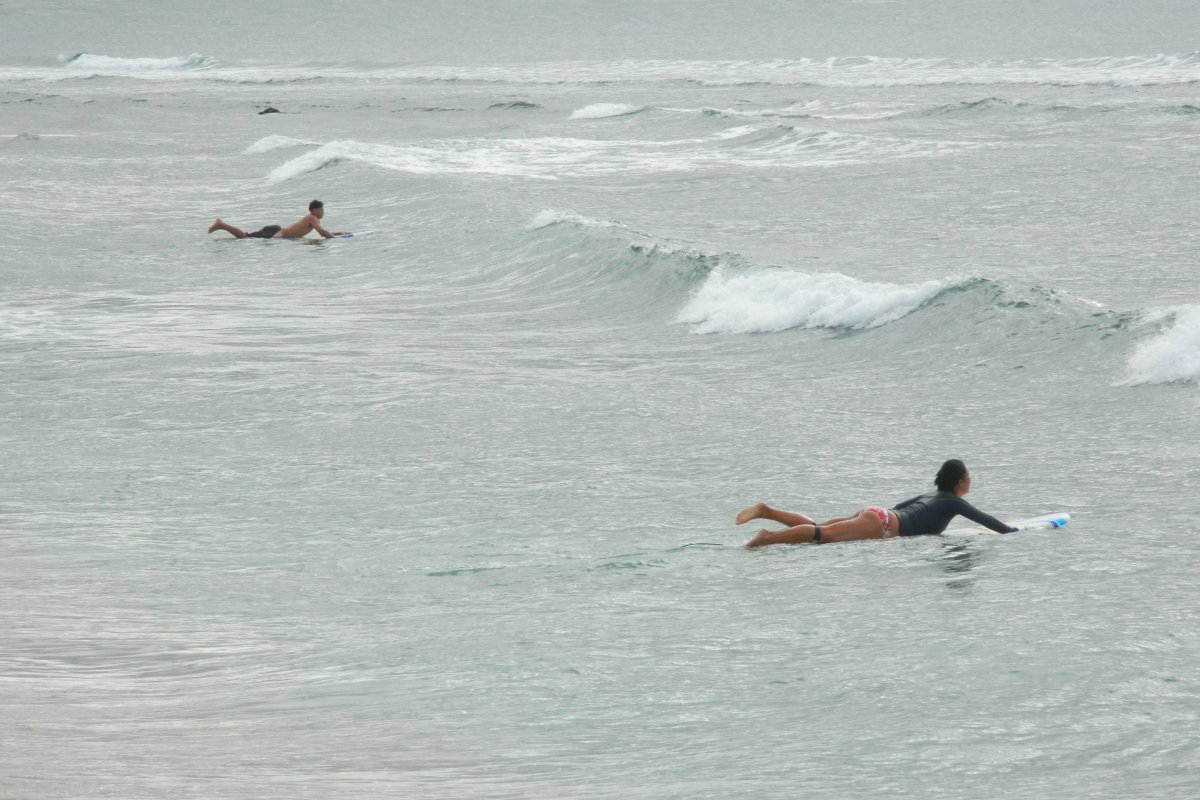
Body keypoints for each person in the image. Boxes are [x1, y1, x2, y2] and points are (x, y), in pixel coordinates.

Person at [738, 459, 1017, 548]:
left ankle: (767, 512)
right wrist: (1016, 533)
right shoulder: (954, 503)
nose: (970, 481)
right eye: (968, 477)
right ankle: (767, 538)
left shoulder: (929, 495)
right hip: (883, 525)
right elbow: (988, 522)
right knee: (822, 536)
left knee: (817, 527)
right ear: (959, 482)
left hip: (879, 514)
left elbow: (899, 506)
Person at [207, 199, 349, 240]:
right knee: (244, 237)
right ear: (315, 210)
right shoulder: (312, 218)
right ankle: (221, 224)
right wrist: (337, 239)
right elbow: (322, 233)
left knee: (246, 237)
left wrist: (339, 233)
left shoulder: (313, 219)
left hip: (276, 232)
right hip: (275, 233)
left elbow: (323, 232)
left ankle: (222, 225)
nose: (323, 212)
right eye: (321, 209)